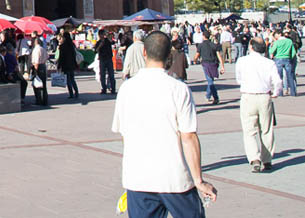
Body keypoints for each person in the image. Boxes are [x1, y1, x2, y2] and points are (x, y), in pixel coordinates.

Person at [112, 31, 217, 216]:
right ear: (169, 54)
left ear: (144, 52)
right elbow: (189, 136)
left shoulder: (126, 89)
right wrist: (198, 180)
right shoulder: (179, 89)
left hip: (138, 178)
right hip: (174, 178)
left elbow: (124, 135)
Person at [235, 38, 283, 173]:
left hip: (247, 96)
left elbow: (239, 79)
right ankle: (267, 159)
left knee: (249, 131)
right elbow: (278, 81)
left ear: (251, 46)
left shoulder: (242, 61)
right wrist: (275, 92)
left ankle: (254, 158)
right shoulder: (269, 63)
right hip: (264, 96)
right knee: (266, 129)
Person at [194, 30, 225, 105]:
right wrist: (222, 66)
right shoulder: (213, 45)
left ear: (203, 36)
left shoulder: (200, 45)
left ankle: (215, 97)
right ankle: (208, 95)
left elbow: (197, 55)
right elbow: (219, 56)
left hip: (206, 64)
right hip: (214, 64)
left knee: (210, 81)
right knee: (210, 80)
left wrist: (194, 60)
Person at [269, 30, 298, 97]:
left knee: (279, 77)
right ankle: (293, 92)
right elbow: (293, 52)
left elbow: (271, 51)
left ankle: (280, 93)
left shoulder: (277, 42)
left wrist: (271, 46)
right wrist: (289, 57)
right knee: (290, 76)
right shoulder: (289, 41)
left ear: (279, 34)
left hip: (278, 59)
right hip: (287, 58)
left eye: (275, 35)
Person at [57, 30, 80, 99]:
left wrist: (59, 65)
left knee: (68, 80)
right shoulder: (71, 45)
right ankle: (76, 92)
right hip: (72, 64)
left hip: (65, 64)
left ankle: (71, 93)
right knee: (72, 79)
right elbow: (74, 55)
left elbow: (61, 57)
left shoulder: (63, 46)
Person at [95, 29, 116, 95]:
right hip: (102, 59)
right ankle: (104, 89)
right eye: (101, 34)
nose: (102, 36)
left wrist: (108, 36)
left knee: (111, 75)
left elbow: (113, 42)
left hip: (109, 58)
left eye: (103, 34)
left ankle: (113, 89)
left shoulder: (107, 40)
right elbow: (95, 51)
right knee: (102, 75)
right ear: (99, 35)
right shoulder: (98, 42)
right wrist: (100, 45)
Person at [30, 36, 49, 106]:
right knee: (43, 84)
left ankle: (39, 100)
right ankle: (45, 100)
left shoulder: (36, 50)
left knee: (37, 85)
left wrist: (35, 70)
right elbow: (47, 56)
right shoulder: (43, 49)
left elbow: (36, 61)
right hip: (43, 66)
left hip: (38, 67)